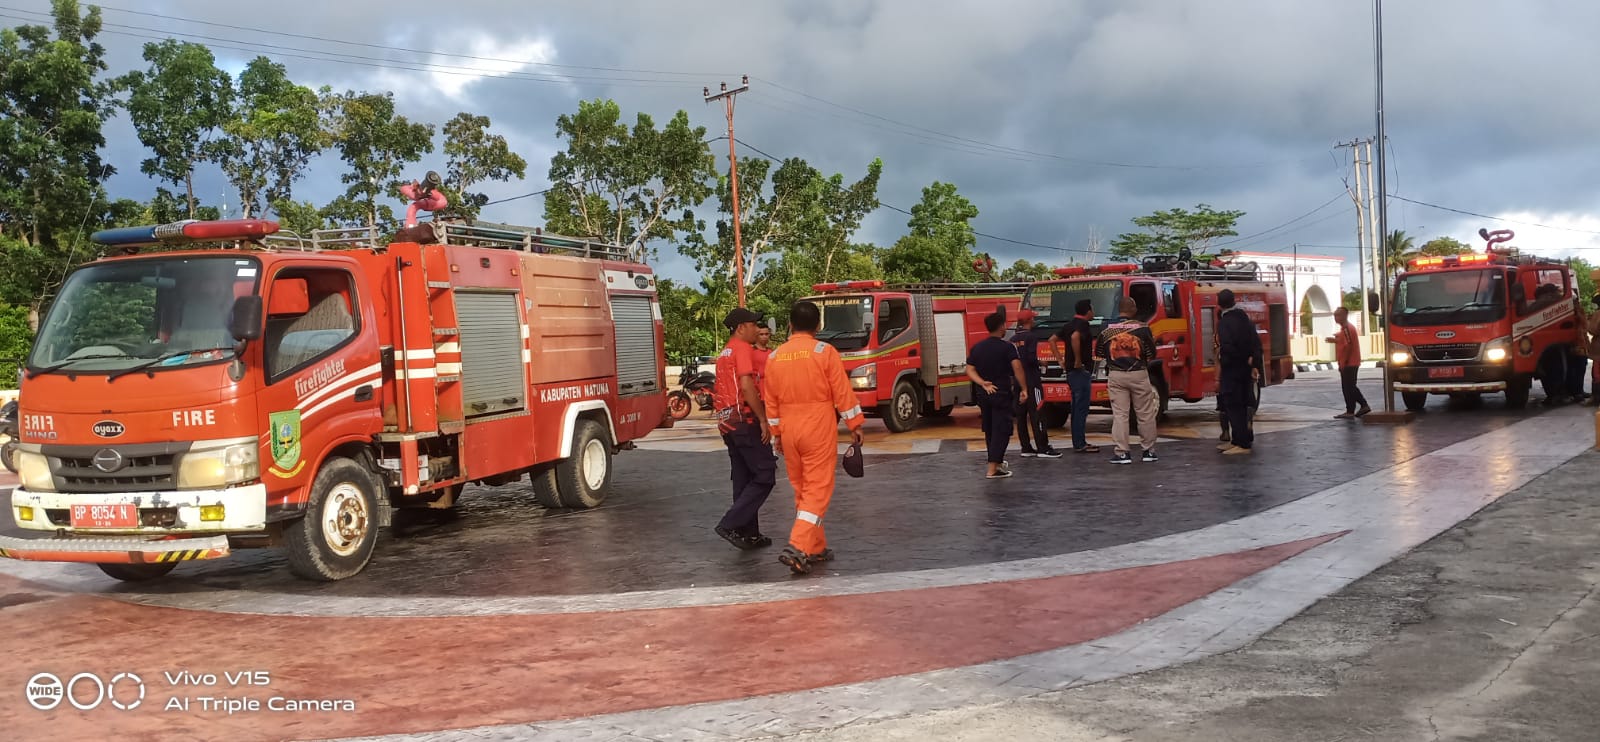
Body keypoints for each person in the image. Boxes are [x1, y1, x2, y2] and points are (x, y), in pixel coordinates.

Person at [763, 301, 865, 575]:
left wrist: (777, 434)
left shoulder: (774, 357)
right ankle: (798, 545)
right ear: (818, 326)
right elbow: (842, 392)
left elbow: (769, 401)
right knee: (818, 489)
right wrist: (855, 423)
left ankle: (815, 547)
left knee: (803, 490)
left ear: (790, 325)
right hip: (817, 426)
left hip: (789, 427)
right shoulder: (824, 352)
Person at [712, 307, 776, 550]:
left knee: (743, 477)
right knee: (765, 474)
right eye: (753, 324)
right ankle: (730, 524)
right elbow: (747, 387)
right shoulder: (742, 350)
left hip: (727, 422)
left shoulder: (725, 351)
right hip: (745, 420)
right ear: (741, 328)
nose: (757, 328)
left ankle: (749, 533)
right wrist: (762, 419)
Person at [1095, 297, 1159, 464]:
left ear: (1119, 309)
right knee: (1145, 413)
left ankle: (1122, 453)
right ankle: (1148, 451)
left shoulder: (1106, 329)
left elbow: (1100, 352)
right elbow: (1152, 353)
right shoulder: (1143, 328)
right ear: (1133, 309)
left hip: (1116, 375)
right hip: (1139, 373)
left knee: (1120, 415)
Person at [967, 310, 1029, 479]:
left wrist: (981, 382)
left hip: (984, 394)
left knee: (990, 429)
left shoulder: (977, 347)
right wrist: (1024, 388)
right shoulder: (1008, 347)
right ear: (1001, 327)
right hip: (1001, 392)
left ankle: (997, 464)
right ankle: (992, 468)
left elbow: (970, 369)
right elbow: (1017, 368)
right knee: (1002, 429)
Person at [1217, 290, 1263, 455]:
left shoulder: (1225, 322)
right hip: (1245, 369)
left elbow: (1227, 347)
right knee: (1243, 403)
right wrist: (1252, 362)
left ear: (1219, 304)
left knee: (1233, 404)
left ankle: (1242, 444)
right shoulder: (1244, 319)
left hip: (1232, 369)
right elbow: (1256, 343)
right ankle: (1238, 439)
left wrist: (1233, 359)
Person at [1009, 310, 1060, 458]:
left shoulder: (1013, 339)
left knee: (1021, 416)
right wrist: (1041, 362)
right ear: (1029, 321)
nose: (1034, 321)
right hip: (1032, 380)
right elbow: (1030, 359)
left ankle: (1025, 447)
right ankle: (1043, 447)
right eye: (1032, 319)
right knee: (1038, 413)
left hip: (1018, 382)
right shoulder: (1031, 337)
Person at [1052, 299, 1100, 454]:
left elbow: (1052, 340)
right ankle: (1080, 443)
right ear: (1087, 311)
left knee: (1076, 407)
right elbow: (1075, 337)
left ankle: (1079, 441)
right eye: (1092, 309)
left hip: (1071, 372)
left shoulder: (1068, 324)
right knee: (1081, 408)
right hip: (1080, 371)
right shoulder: (1083, 325)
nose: (1093, 312)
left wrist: (1060, 360)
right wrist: (1078, 360)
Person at [1325, 307, 1371, 419]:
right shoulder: (1345, 329)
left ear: (1345, 315)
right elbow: (1345, 342)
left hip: (1350, 363)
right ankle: (1350, 410)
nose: (1336, 318)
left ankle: (1363, 405)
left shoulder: (1347, 328)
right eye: (1335, 315)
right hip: (1348, 362)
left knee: (1350, 387)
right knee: (1347, 387)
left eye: (1338, 315)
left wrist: (1344, 362)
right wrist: (1335, 340)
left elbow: (1349, 346)